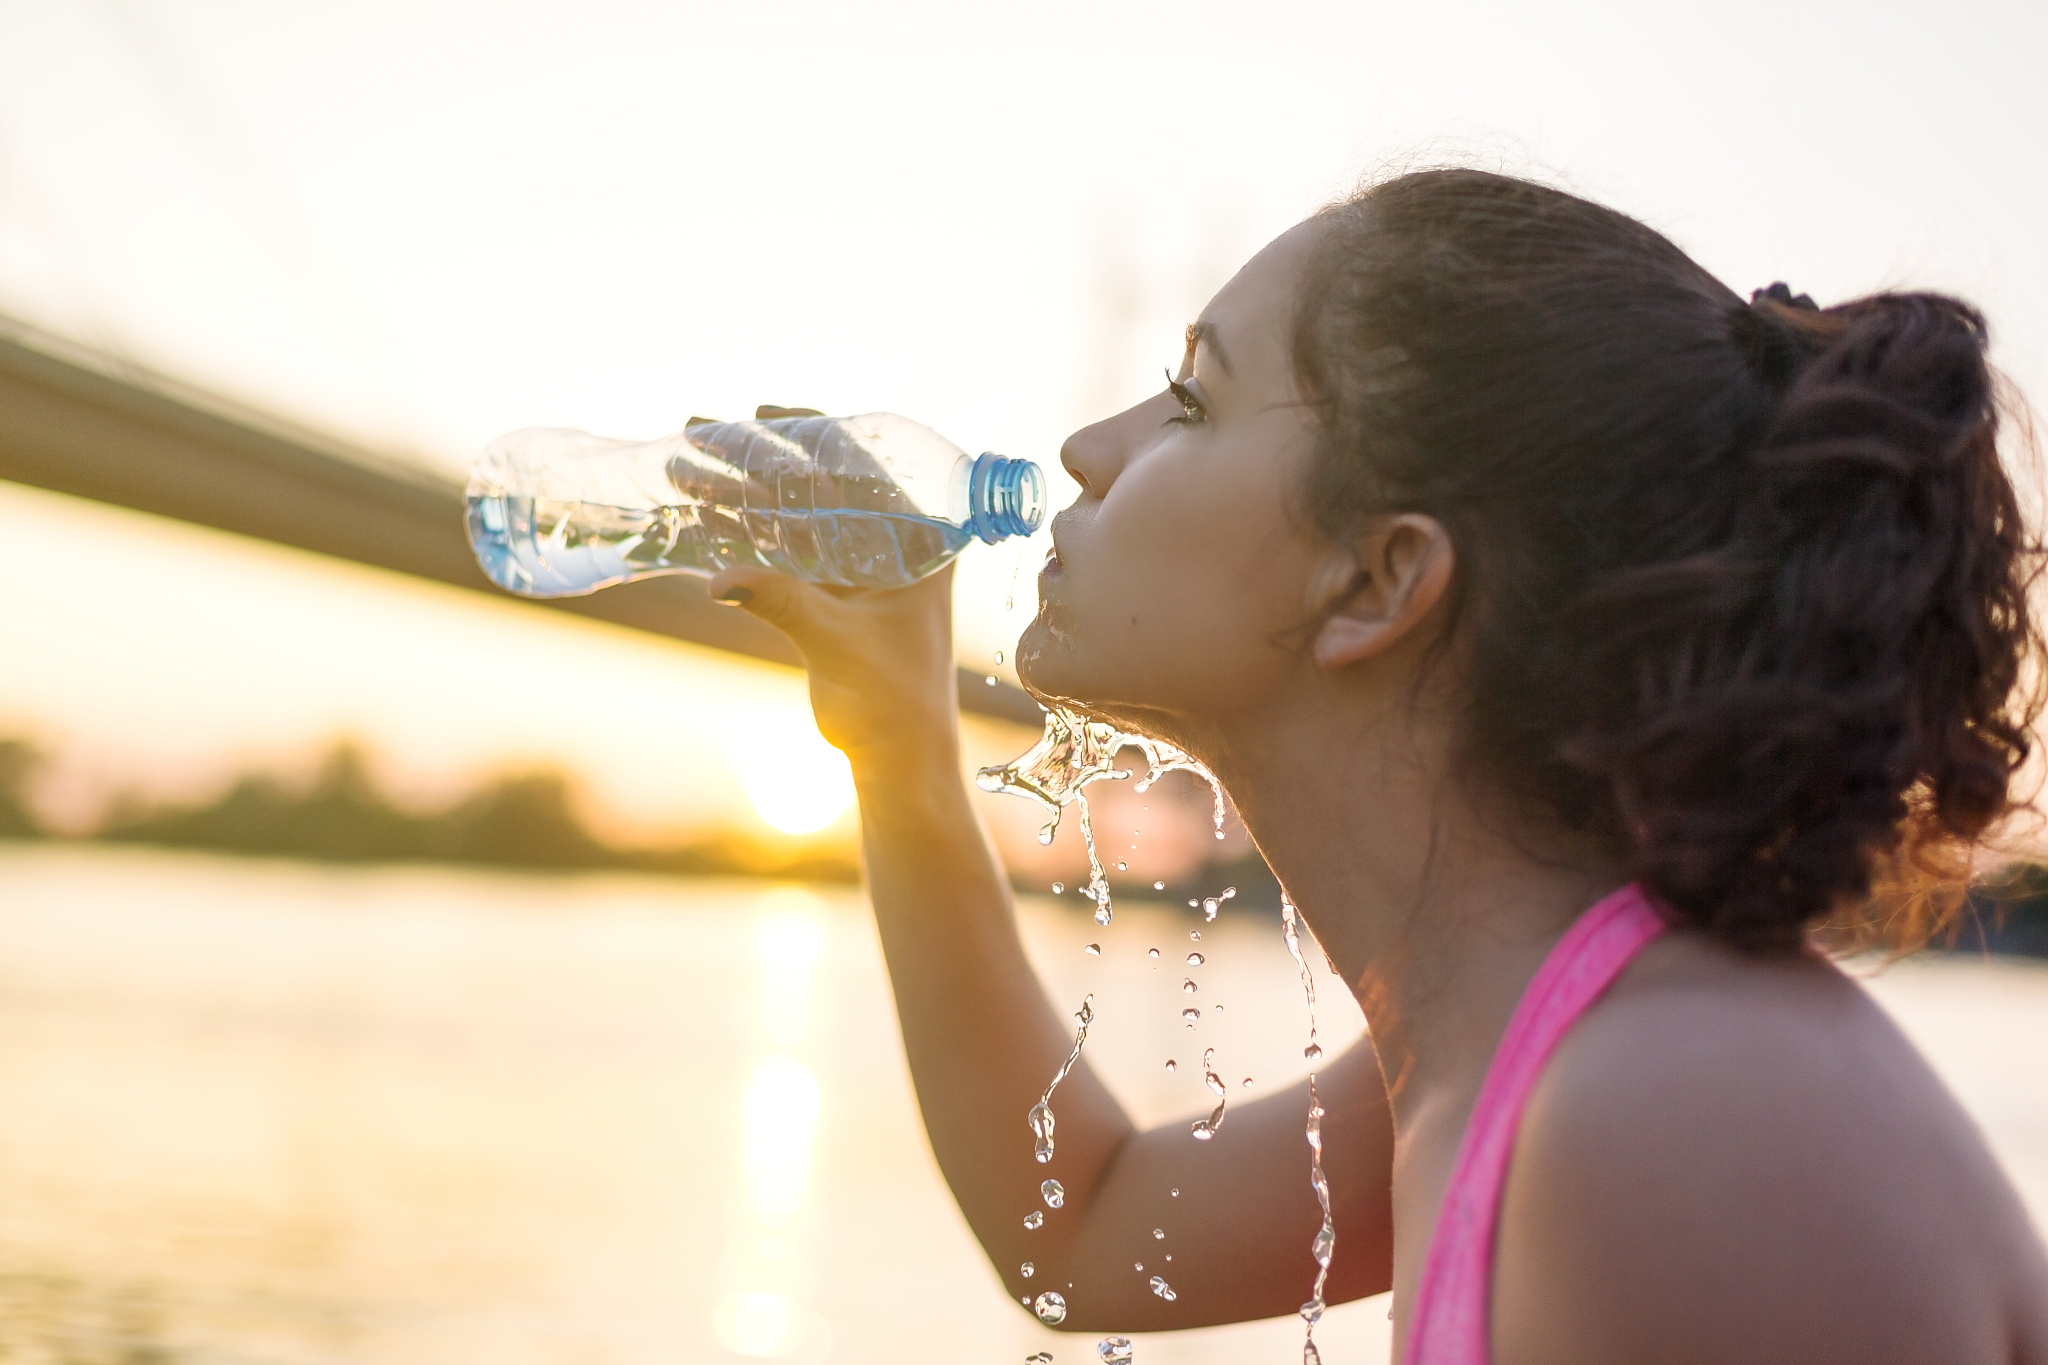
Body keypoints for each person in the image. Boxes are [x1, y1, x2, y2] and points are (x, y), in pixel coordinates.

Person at [705, 169, 2048, 1364]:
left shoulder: (1672, 1122)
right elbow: (1088, 1230)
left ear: (1380, 576)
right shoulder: (1510, 1042)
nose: (1086, 450)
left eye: (1191, 399)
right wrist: (897, 745)